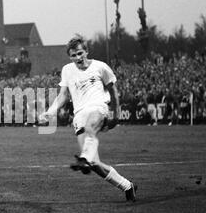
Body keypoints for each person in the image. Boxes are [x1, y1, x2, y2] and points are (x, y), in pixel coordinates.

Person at [40, 35, 137, 202]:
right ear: (69, 56)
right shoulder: (67, 70)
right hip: (79, 115)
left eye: (80, 53)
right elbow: (63, 95)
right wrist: (51, 111)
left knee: (91, 131)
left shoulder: (101, 67)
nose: (77, 58)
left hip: (98, 107)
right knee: (95, 164)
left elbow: (113, 92)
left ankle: (84, 157)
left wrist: (116, 113)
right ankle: (127, 186)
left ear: (86, 51)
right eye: (73, 55)